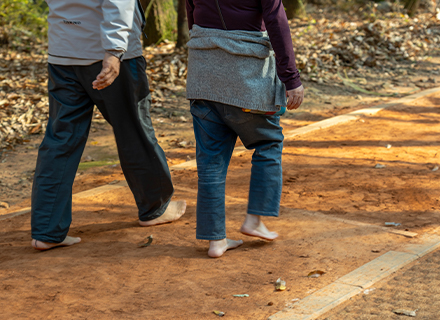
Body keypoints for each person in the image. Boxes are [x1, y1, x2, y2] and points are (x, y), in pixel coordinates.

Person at [31, 0, 186, 251]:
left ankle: (46, 230)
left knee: (60, 139)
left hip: (63, 52)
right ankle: (155, 208)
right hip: (108, 54)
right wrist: (114, 51)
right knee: (134, 130)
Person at [186, 0, 304, 258]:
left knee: (210, 161)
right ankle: (254, 220)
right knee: (268, 144)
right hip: (247, 75)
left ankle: (216, 240)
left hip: (203, 73)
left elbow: (191, 14)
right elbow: (276, 21)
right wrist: (291, 78)